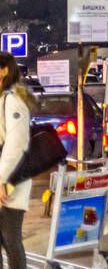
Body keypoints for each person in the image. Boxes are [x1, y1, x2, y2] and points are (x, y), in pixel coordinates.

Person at [0, 51, 35, 269]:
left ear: (4, 70)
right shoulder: (4, 98)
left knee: (11, 241)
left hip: (11, 180)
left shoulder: (13, 100)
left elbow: (16, 143)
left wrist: (2, 179)